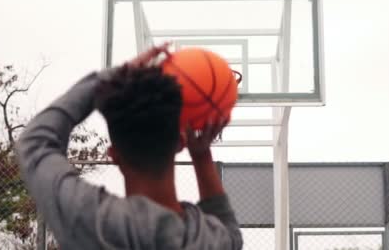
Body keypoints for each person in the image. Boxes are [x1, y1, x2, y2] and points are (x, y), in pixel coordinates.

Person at [15, 44, 243, 249]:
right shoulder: (207, 240)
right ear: (180, 143)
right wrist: (202, 156)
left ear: (114, 155)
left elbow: (34, 143)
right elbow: (230, 232)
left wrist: (109, 77)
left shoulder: (93, 221)